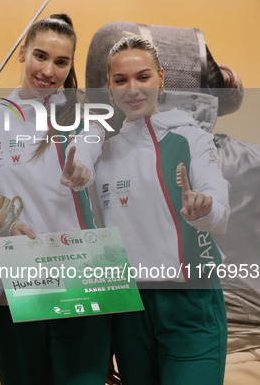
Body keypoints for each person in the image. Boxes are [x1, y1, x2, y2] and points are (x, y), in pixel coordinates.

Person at [0, 14, 110, 384]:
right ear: (21, 53)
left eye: (61, 62)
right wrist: (4, 225)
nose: (48, 70)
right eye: (40, 56)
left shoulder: (85, 115)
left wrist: (83, 170)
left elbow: (89, 148)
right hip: (16, 281)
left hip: (83, 273)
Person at [94, 36, 230, 385]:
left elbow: (218, 205)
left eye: (143, 77)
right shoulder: (103, 154)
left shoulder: (191, 138)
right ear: (109, 87)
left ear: (161, 78)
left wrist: (204, 207)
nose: (133, 89)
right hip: (129, 308)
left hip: (190, 301)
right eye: (121, 80)